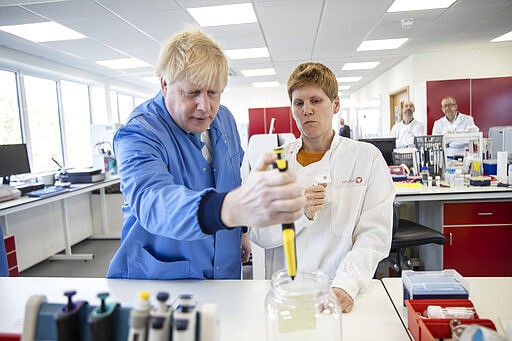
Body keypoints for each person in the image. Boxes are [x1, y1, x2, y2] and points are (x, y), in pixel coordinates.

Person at [107, 28, 306, 280]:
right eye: (192, 93)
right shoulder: (139, 133)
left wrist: (241, 230)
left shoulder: (225, 120)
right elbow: (153, 201)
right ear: (165, 84)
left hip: (225, 272)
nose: (205, 106)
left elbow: (232, 181)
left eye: (214, 92)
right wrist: (231, 210)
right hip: (162, 281)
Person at [250, 62, 395, 313]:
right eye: (299, 103)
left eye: (316, 101)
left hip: (340, 288)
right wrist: (299, 212)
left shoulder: (365, 158)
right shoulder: (273, 163)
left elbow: (374, 235)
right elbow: (258, 233)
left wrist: (346, 285)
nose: (307, 110)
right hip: (287, 291)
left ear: (335, 104)